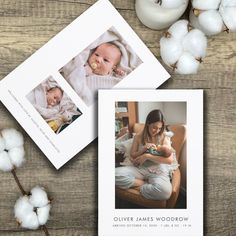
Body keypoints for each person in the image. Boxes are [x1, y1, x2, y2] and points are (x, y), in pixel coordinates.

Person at [115, 109, 175, 200]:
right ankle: (143, 184)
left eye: (159, 128)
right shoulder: (138, 136)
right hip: (140, 169)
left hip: (157, 171)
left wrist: (147, 156)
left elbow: (169, 160)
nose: (157, 131)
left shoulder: (164, 137)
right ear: (148, 123)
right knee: (113, 175)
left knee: (165, 192)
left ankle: (143, 187)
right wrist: (143, 149)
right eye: (154, 127)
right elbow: (133, 155)